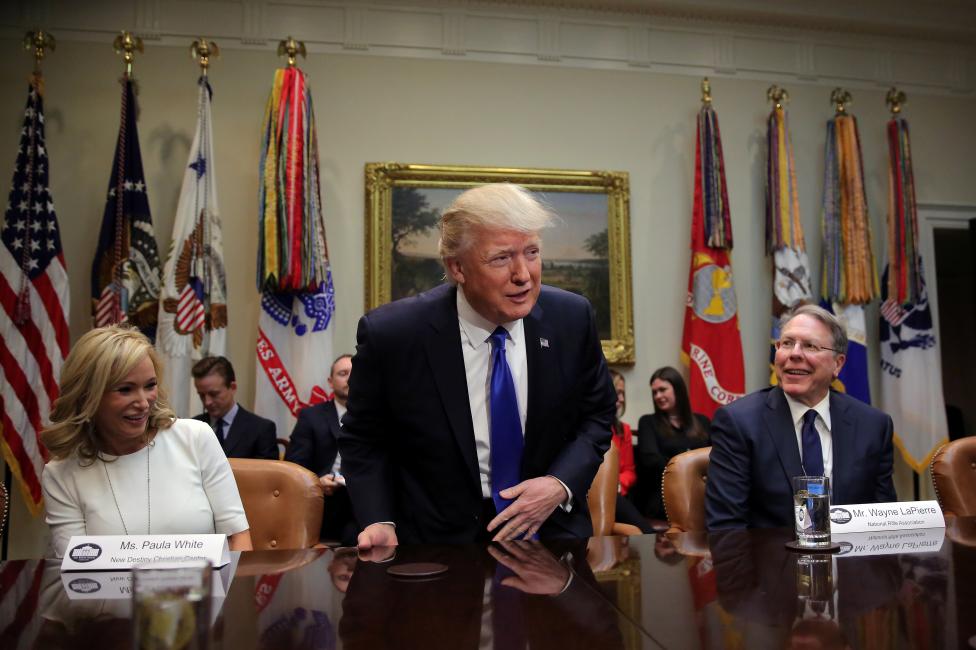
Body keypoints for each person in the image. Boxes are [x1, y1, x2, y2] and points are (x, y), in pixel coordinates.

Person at [339, 182, 616, 549]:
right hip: (434, 545)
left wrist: (558, 484)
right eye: (501, 258)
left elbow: (596, 416)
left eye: (531, 252)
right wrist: (379, 519)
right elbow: (364, 439)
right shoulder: (394, 334)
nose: (524, 275)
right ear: (457, 268)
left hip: (550, 535)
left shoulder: (571, 318)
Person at [41, 326, 252, 558]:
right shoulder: (61, 474)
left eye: (150, 385)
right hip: (111, 595)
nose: (143, 403)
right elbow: (77, 571)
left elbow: (237, 537)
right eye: (125, 389)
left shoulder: (195, 437)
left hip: (205, 592)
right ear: (88, 396)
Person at [705, 304, 897, 530]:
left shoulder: (873, 426)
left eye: (810, 346)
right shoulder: (738, 423)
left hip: (850, 562)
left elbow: (884, 521)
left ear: (838, 364)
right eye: (786, 343)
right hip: (770, 562)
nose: (794, 353)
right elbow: (726, 528)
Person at [285, 353, 358, 545]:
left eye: (355, 372)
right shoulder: (311, 417)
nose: (350, 378)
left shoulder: (379, 416)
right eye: (343, 373)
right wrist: (316, 482)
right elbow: (294, 466)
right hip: (327, 501)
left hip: (366, 502)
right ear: (330, 381)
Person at [633, 366, 710, 519]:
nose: (658, 396)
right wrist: (691, 474)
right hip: (665, 495)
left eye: (662, 390)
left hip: (704, 494)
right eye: (654, 392)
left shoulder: (703, 421)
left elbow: (716, 455)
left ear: (678, 389)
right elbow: (651, 460)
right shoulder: (648, 422)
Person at [192, 355, 278, 460]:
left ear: (232, 388)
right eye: (201, 395)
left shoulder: (261, 430)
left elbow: (268, 475)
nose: (207, 402)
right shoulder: (193, 426)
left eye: (214, 394)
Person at [608, 370, 654, 534]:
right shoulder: (586, 429)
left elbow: (629, 471)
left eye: (623, 393)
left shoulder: (623, 430)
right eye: (617, 392)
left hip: (619, 495)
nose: (621, 399)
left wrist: (617, 484)